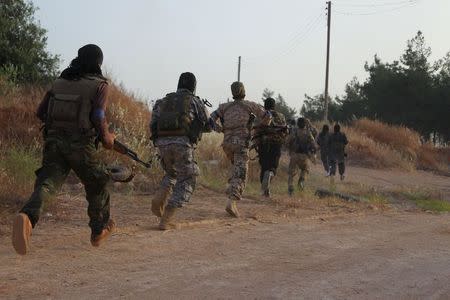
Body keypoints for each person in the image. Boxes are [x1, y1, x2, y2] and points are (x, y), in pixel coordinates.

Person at [12, 44, 116, 255]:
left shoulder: (59, 82)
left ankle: (27, 218)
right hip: (82, 146)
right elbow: (98, 116)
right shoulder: (100, 85)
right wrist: (107, 138)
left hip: (53, 143)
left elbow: (41, 112)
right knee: (97, 181)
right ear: (98, 63)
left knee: (48, 184)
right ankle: (98, 230)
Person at [150, 72, 211, 230]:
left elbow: (153, 124)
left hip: (162, 145)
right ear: (194, 86)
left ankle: (158, 200)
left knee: (171, 173)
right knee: (188, 178)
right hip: (183, 145)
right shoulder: (195, 101)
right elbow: (209, 125)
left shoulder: (162, 101)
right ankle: (167, 219)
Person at [210, 81, 271, 217]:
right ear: (243, 91)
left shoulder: (224, 107)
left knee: (235, 167)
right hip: (241, 143)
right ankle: (231, 202)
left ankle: (230, 187)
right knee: (241, 174)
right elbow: (267, 117)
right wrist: (260, 125)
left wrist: (220, 129)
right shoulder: (249, 105)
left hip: (227, 144)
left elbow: (211, 120)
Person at [253, 97, 287, 197]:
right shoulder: (281, 116)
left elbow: (257, 130)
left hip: (263, 144)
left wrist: (255, 142)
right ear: (274, 106)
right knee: (273, 166)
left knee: (264, 166)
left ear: (265, 105)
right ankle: (270, 175)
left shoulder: (262, 115)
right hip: (276, 144)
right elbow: (285, 130)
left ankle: (265, 192)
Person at [286, 117, 316, 196]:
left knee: (291, 173)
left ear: (297, 124)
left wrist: (290, 149)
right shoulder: (308, 133)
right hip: (304, 156)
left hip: (294, 155)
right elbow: (313, 144)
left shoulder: (294, 132)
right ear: (305, 124)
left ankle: (290, 187)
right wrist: (312, 152)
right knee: (305, 169)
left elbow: (287, 142)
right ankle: (301, 180)